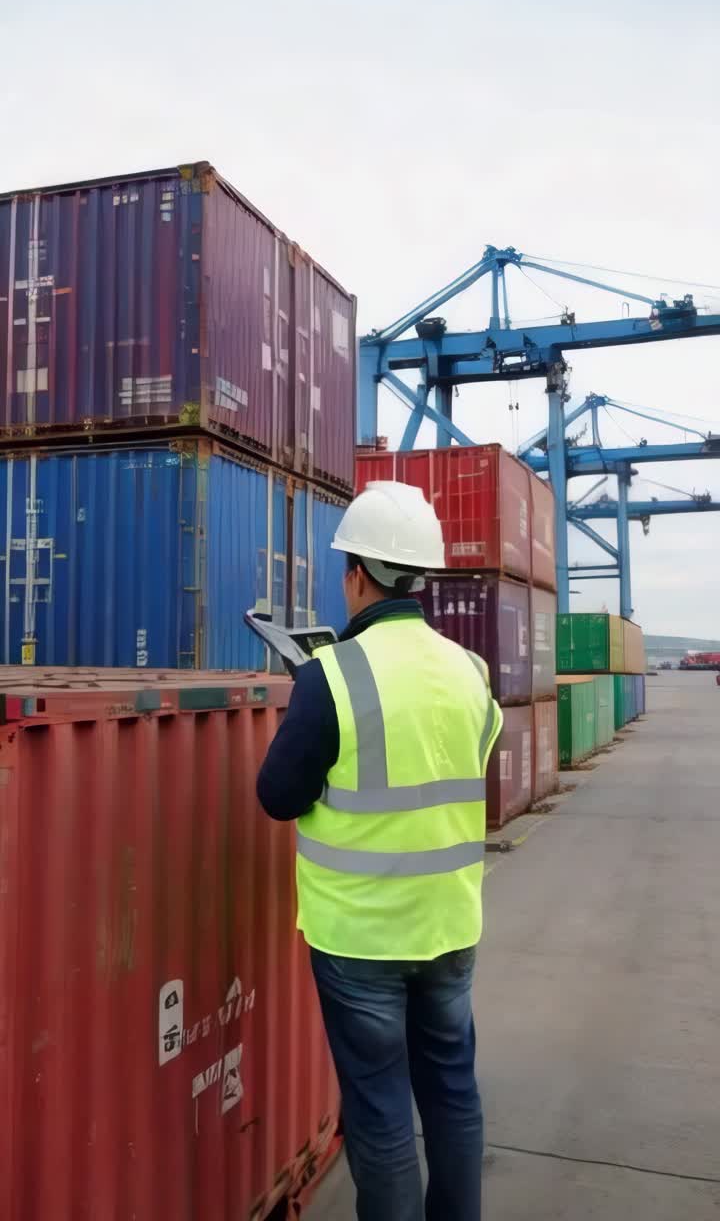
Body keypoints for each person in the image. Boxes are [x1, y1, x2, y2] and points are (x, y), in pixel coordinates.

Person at [257, 481, 503, 1221]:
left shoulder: (329, 676)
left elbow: (277, 796)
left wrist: (309, 701)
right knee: (453, 1091)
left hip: (361, 937)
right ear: (419, 577)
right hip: (449, 926)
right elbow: (472, 756)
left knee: (381, 1108)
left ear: (357, 575)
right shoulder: (472, 672)